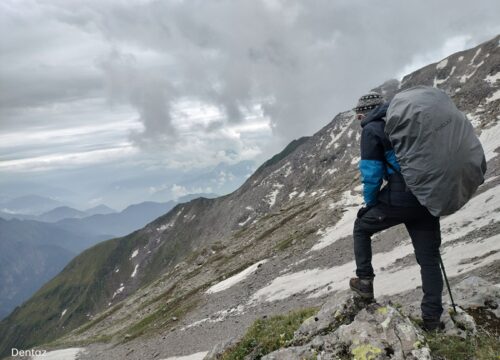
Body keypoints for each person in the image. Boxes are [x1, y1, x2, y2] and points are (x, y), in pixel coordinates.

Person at [349, 92, 444, 331]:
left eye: (359, 114)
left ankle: (365, 283)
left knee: (361, 227)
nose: (358, 118)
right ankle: (432, 320)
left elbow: (371, 174)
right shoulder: (405, 120)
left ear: (366, 112)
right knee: (429, 260)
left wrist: (370, 204)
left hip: (401, 196)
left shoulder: (372, 129)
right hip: (426, 194)